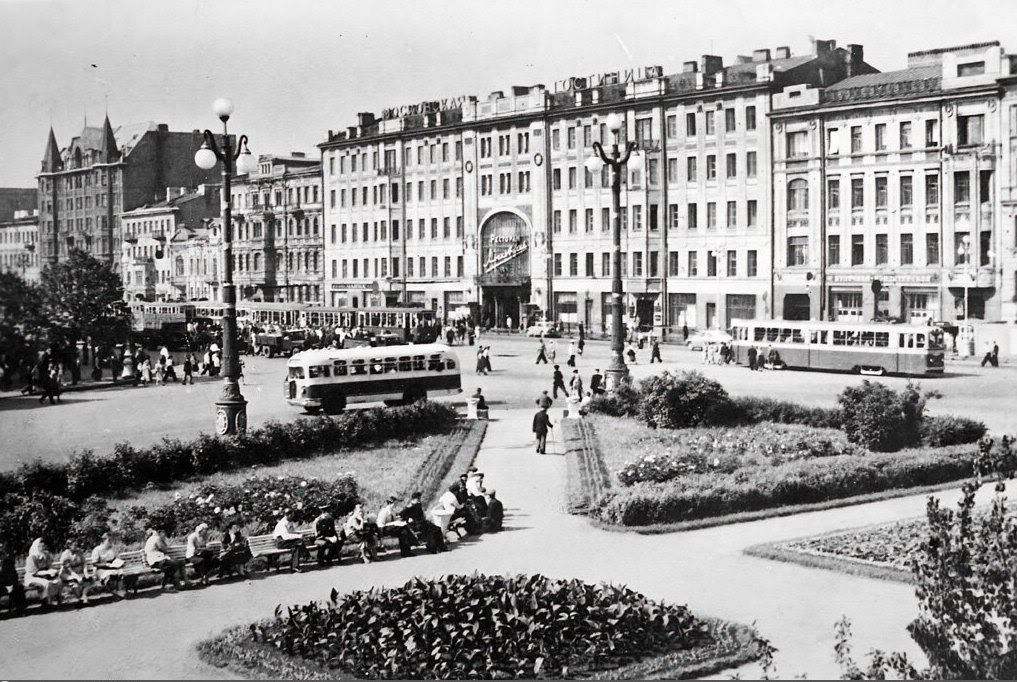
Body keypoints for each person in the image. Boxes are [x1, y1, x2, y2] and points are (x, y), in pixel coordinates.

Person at [24, 538, 62, 607]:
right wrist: (46, 573)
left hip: (44, 575)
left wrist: (51, 571)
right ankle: (45, 602)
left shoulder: (46, 555)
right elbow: (34, 572)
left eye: (43, 546)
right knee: (46, 583)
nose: (42, 548)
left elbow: (49, 566)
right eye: (40, 546)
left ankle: (57, 599)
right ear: (36, 547)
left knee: (58, 581)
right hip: (32, 577)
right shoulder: (31, 557)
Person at [58, 538, 94, 605]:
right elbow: (69, 569)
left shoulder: (79, 552)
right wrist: (77, 577)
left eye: (76, 545)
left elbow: (84, 563)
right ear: (69, 546)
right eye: (74, 545)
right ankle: (79, 598)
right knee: (75, 582)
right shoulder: (65, 554)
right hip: (67, 573)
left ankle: (83, 596)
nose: (76, 546)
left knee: (90, 579)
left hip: (79, 572)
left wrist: (86, 572)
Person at [90, 532, 125, 598]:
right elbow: (94, 564)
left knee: (120, 572)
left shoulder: (113, 549)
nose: (111, 542)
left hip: (112, 567)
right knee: (109, 576)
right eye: (109, 540)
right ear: (104, 541)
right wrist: (105, 564)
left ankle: (119, 591)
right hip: (100, 569)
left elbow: (117, 558)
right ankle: (114, 591)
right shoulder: (97, 549)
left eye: (111, 540)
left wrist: (119, 563)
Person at [0, 540, 26, 616]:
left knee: (18, 588)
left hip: (8, 585)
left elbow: (13, 576)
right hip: (1, 586)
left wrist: (11, 585)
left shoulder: (8, 563)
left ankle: (20, 610)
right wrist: (5, 588)